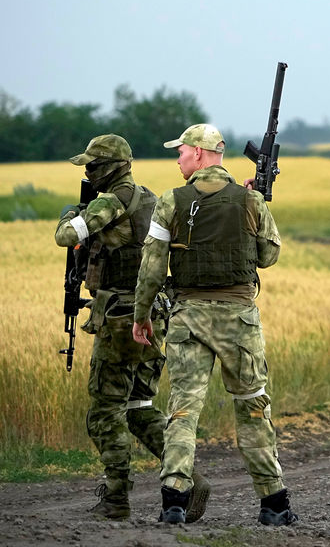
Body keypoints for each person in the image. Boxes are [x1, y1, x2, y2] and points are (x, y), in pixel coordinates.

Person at [131, 123, 297, 526]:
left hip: (188, 319)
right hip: (239, 322)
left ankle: (173, 501)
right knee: (253, 407)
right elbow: (268, 257)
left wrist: (141, 315)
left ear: (201, 154)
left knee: (183, 410)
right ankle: (274, 506)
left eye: (182, 152)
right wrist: (255, 203)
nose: (178, 158)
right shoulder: (248, 200)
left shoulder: (171, 201)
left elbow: (151, 266)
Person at [55, 134, 209, 522]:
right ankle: (188, 479)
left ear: (108, 167)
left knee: (105, 412)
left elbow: (67, 236)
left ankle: (116, 499)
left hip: (122, 321)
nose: (88, 172)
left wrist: (69, 212)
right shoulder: (151, 198)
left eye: (92, 165)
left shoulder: (111, 201)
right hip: (154, 317)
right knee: (140, 407)